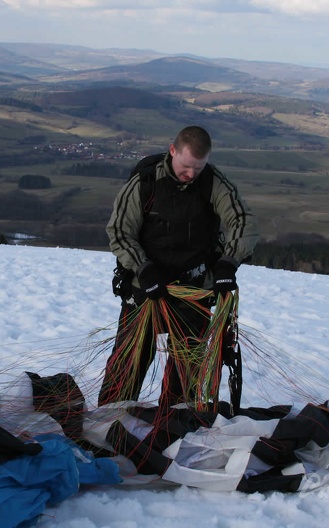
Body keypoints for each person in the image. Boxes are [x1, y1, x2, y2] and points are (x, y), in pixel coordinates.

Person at [98, 125, 259, 408]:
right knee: (127, 367)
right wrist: (144, 270)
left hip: (194, 292)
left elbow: (243, 222)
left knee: (186, 375)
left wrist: (227, 263)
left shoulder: (212, 182)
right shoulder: (145, 182)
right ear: (172, 151)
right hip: (146, 290)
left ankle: (173, 429)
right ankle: (108, 425)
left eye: (198, 168)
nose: (191, 174)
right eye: (186, 167)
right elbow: (120, 232)